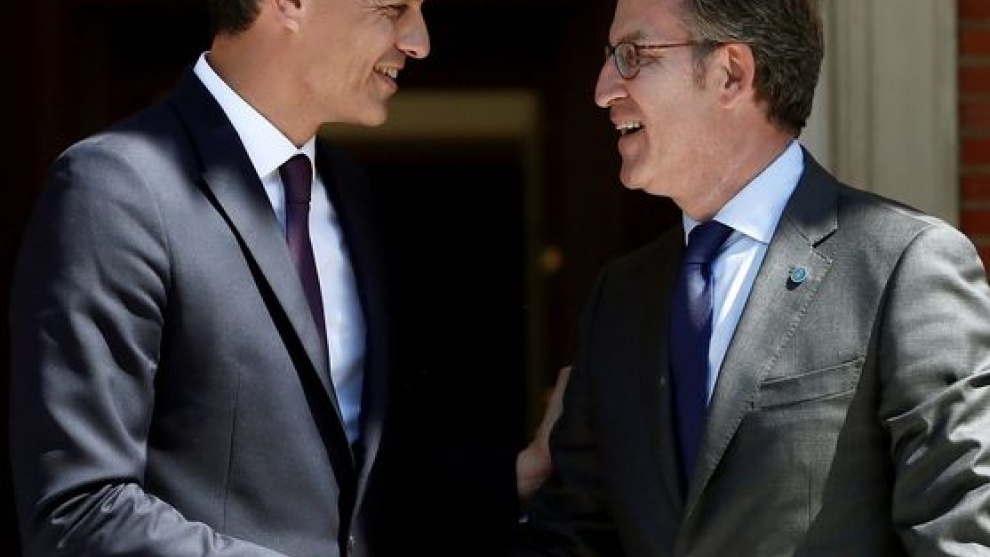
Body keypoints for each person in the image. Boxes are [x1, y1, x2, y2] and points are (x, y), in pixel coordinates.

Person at [8, 0, 561, 555]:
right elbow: (79, 512)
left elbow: (351, 490)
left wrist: (517, 477)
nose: (419, 42)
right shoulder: (116, 188)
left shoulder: (354, 195)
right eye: (393, 9)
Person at [513, 0, 990, 555]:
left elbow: (959, 530)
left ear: (732, 73)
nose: (603, 89)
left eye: (632, 54)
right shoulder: (619, 298)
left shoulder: (903, 265)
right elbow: (573, 535)